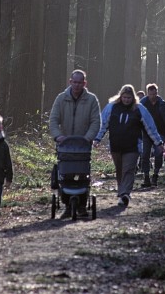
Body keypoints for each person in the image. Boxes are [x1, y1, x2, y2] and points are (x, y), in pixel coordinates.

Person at [94, 84, 163, 207]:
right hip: (116, 146)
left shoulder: (139, 109)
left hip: (133, 146)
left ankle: (125, 193)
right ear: (121, 96)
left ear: (133, 98)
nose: (126, 100)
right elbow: (103, 123)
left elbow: (150, 126)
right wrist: (97, 138)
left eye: (129, 98)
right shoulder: (111, 108)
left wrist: (158, 142)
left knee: (129, 170)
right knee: (120, 170)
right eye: (124, 97)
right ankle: (122, 192)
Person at [49, 69, 101, 218]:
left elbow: (95, 121)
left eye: (80, 82)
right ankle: (67, 205)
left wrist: (88, 137)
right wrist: (58, 136)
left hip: (83, 145)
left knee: (83, 175)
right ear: (70, 82)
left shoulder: (91, 100)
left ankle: (82, 206)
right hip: (65, 144)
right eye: (75, 82)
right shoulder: (61, 99)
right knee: (65, 175)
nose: (77, 85)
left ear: (85, 83)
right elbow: (53, 119)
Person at [140, 83, 165, 187]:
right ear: (148, 93)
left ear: (157, 93)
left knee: (158, 154)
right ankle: (146, 176)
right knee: (145, 155)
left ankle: (155, 175)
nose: (153, 96)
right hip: (146, 133)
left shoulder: (162, 104)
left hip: (160, 133)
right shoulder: (142, 104)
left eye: (155, 94)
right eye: (151, 94)